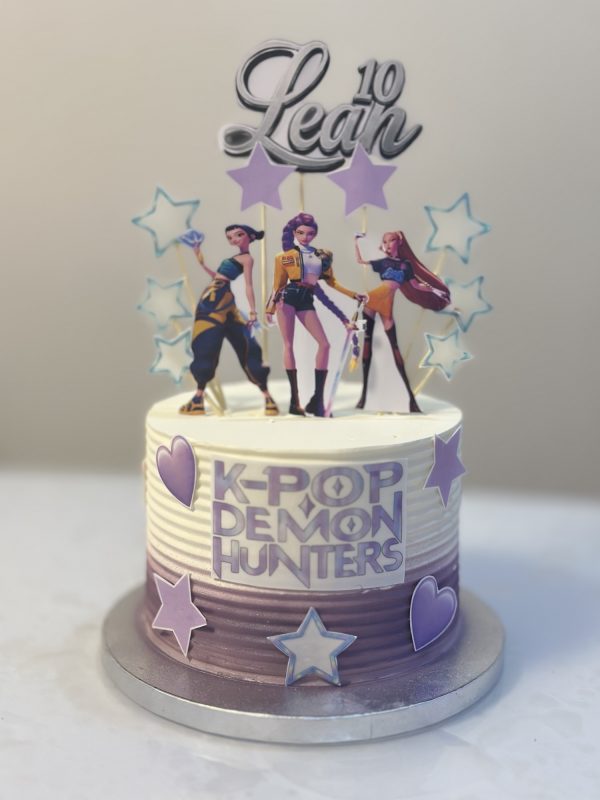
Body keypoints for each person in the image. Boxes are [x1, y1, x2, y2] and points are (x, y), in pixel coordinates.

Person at [266, 212, 365, 416]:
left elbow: (332, 282)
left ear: (315, 234)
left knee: (325, 344)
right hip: (287, 298)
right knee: (288, 345)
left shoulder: (321, 256)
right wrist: (269, 309)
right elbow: (278, 285)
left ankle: (317, 399)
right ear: (294, 233)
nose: (305, 237)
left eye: (310, 233)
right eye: (301, 233)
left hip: (306, 299)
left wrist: (353, 294)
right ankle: (295, 401)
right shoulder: (284, 257)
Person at [180, 224, 278, 416]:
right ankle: (199, 398)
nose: (233, 240)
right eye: (230, 237)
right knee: (209, 342)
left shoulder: (247, 259)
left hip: (216, 299)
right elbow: (218, 276)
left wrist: (253, 312)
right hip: (217, 294)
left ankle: (266, 396)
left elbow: (248, 285)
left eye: (238, 235)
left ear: (250, 237)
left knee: (214, 339)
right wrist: (199, 257)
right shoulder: (236, 259)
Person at [354, 231, 451, 413]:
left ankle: (410, 400)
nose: (387, 244)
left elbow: (416, 285)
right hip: (372, 300)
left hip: (386, 305)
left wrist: (436, 291)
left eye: (391, 240)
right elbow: (360, 260)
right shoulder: (382, 262)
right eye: (384, 241)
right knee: (367, 342)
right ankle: (364, 396)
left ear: (399, 242)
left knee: (395, 348)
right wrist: (356, 241)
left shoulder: (406, 265)